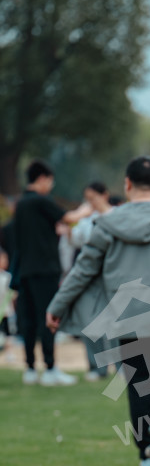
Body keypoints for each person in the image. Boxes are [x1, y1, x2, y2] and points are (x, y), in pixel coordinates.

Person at [46, 156, 150, 466]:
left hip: (128, 319)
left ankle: (147, 457)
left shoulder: (107, 224)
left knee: (140, 390)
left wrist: (57, 305)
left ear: (127, 185)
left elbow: (83, 271)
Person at [13, 160, 90, 385]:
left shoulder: (21, 204)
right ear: (43, 178)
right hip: (45, 268)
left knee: (28, 320)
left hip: (25, 269)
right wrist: (88, 209)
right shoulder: (41, 200)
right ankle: (50, 368)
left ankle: (29, 368)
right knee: (48, 317)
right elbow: (68, 218)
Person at [69, 182, 114, 382]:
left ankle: (124, 366)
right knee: (90, 323)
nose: (91, 202)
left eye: (93, 198)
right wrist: (78, 217)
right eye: (88, 199)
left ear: (104, 195)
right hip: (91, 278)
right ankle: (97, 367)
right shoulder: (86, 221)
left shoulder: (116, 216)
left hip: (113, 275)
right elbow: (74, 240)